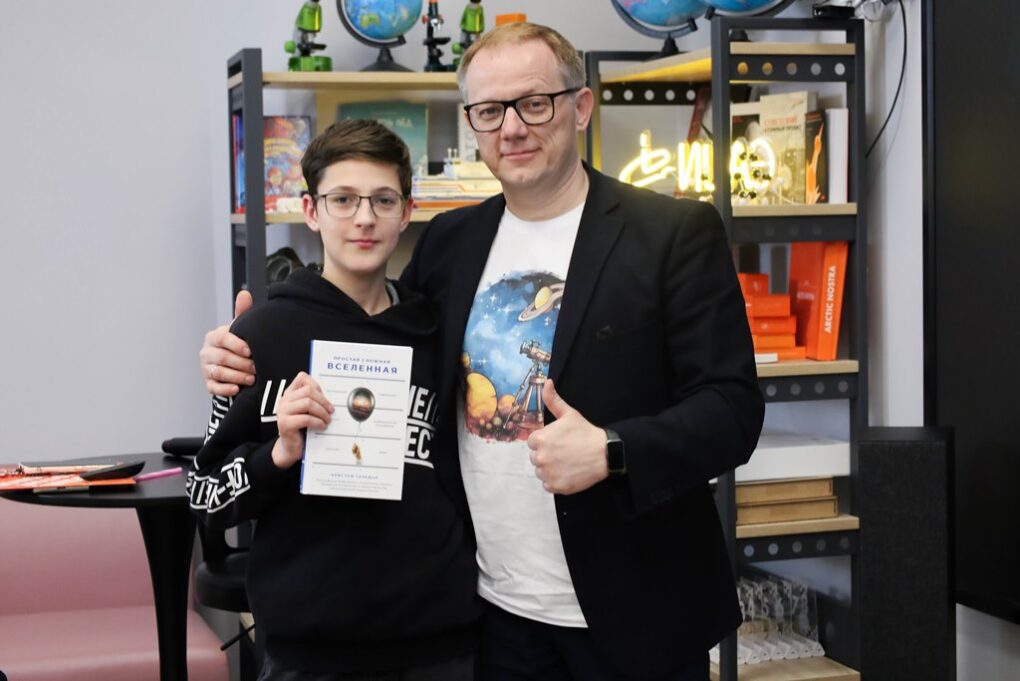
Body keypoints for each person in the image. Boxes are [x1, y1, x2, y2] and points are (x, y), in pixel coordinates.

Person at [201, 22, 764, 681]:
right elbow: (372, 326)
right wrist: (237, 349)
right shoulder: (450, 241)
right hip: (492, 616)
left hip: (636, 610)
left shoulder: (672, 233)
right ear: (472, 123)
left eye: (535, 103)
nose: (513, 128)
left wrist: (613, 450)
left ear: (581, 106)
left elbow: (732, 410)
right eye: (490, 111)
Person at [188, 119, 480, 681]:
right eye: (343, 199)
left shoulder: (439, 333)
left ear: (407, 212)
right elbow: (205, 496)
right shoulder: (260, 337)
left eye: (382, 200)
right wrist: (276, 456)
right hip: (309, 651)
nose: (364, 218)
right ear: (311, 210)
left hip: (438, 643)